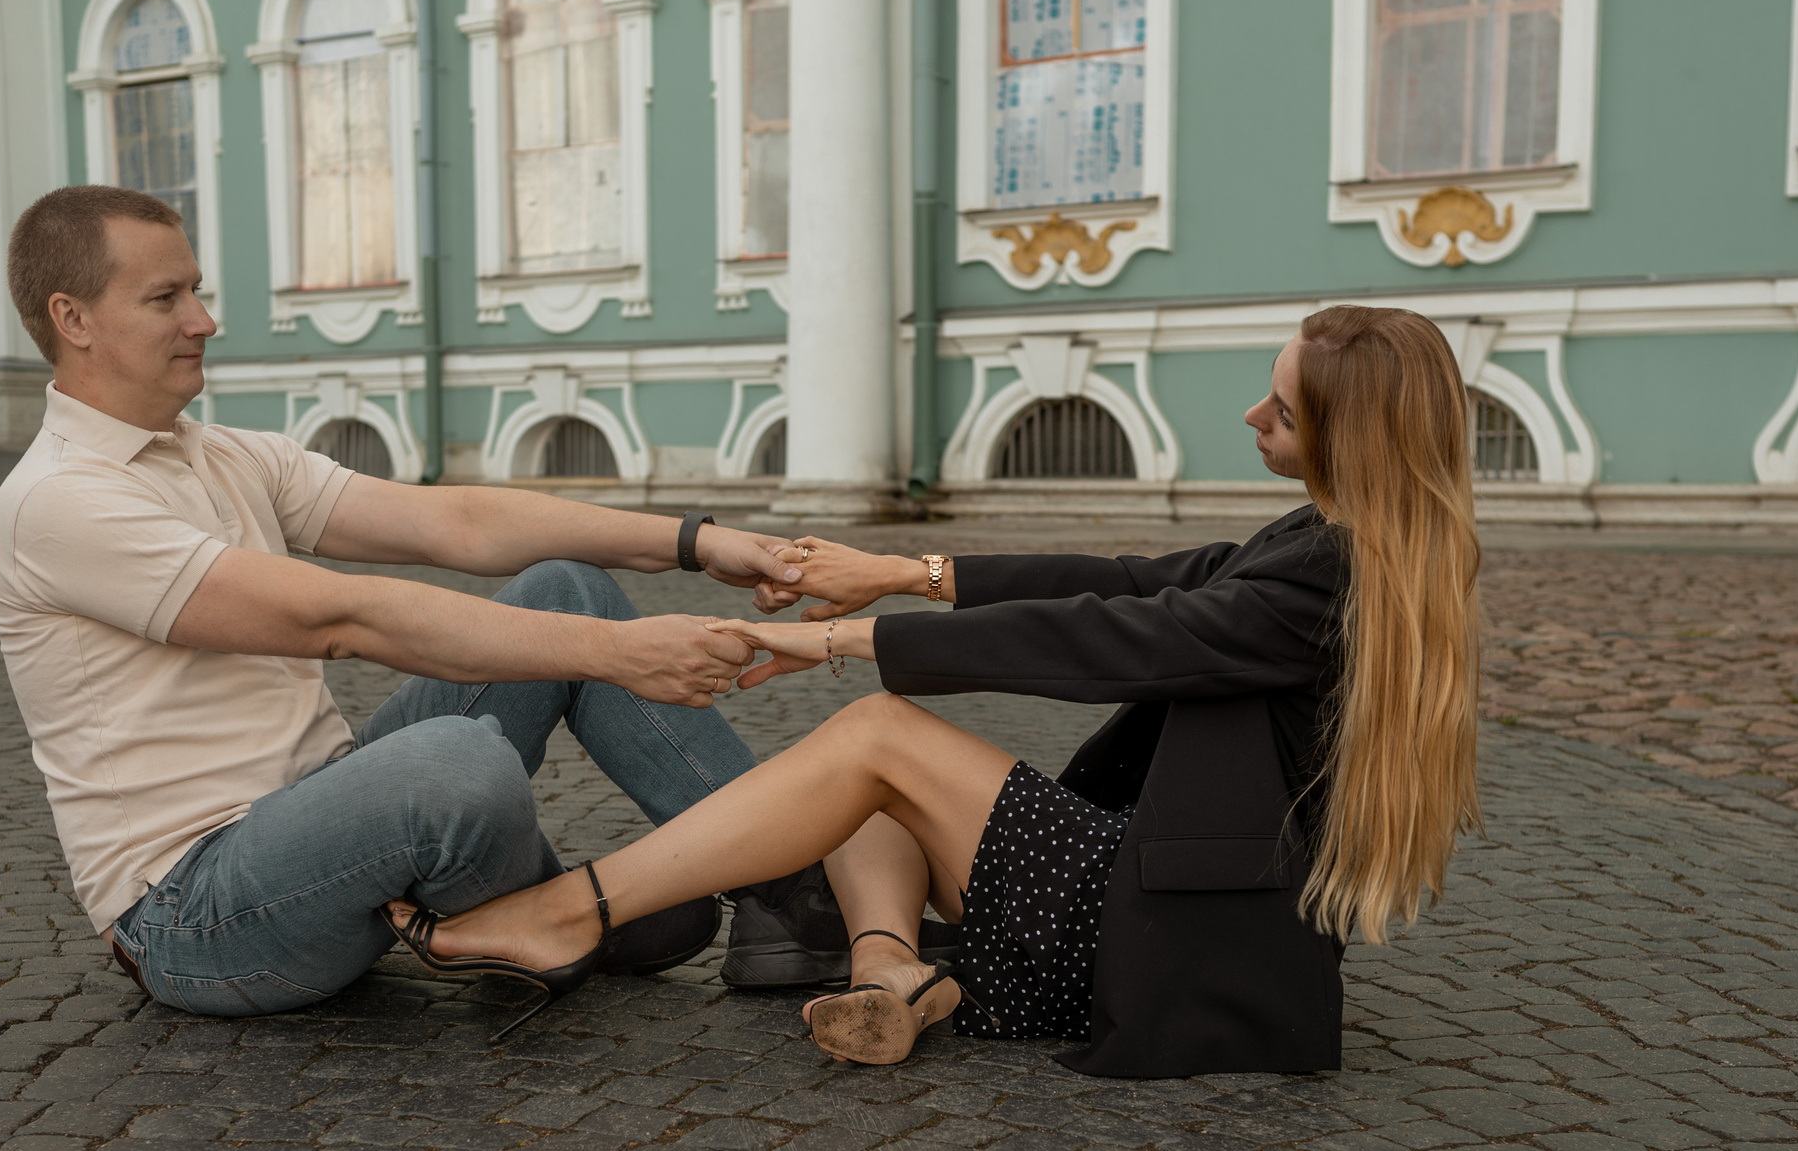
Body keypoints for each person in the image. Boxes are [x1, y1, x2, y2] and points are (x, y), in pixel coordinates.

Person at [386, 304, 1484, 1078]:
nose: (1252, 416)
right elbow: (1124, 580)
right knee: (862, 782)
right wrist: (905, 572)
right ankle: (892, 969)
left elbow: (1121, 637)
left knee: (875, 738)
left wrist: (843, 641)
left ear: (1350, 439)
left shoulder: (1330, 578)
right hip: (1154, 898)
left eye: (1282, 412)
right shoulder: (1333, 545)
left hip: (1156, 939)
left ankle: (566, 912)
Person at [0, 184, 836, 1022]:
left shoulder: (221, 455)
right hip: (197, 908)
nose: (203, 320)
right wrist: (619, 653)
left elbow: (455, 522)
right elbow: (340, 619)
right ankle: (573, 912)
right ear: (75, 319)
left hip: (323, 814)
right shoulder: (60, 502)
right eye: (166, 297)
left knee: (563, 587)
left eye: (197, 290)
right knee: (456, 763)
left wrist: (697, 541)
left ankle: (791, 898)